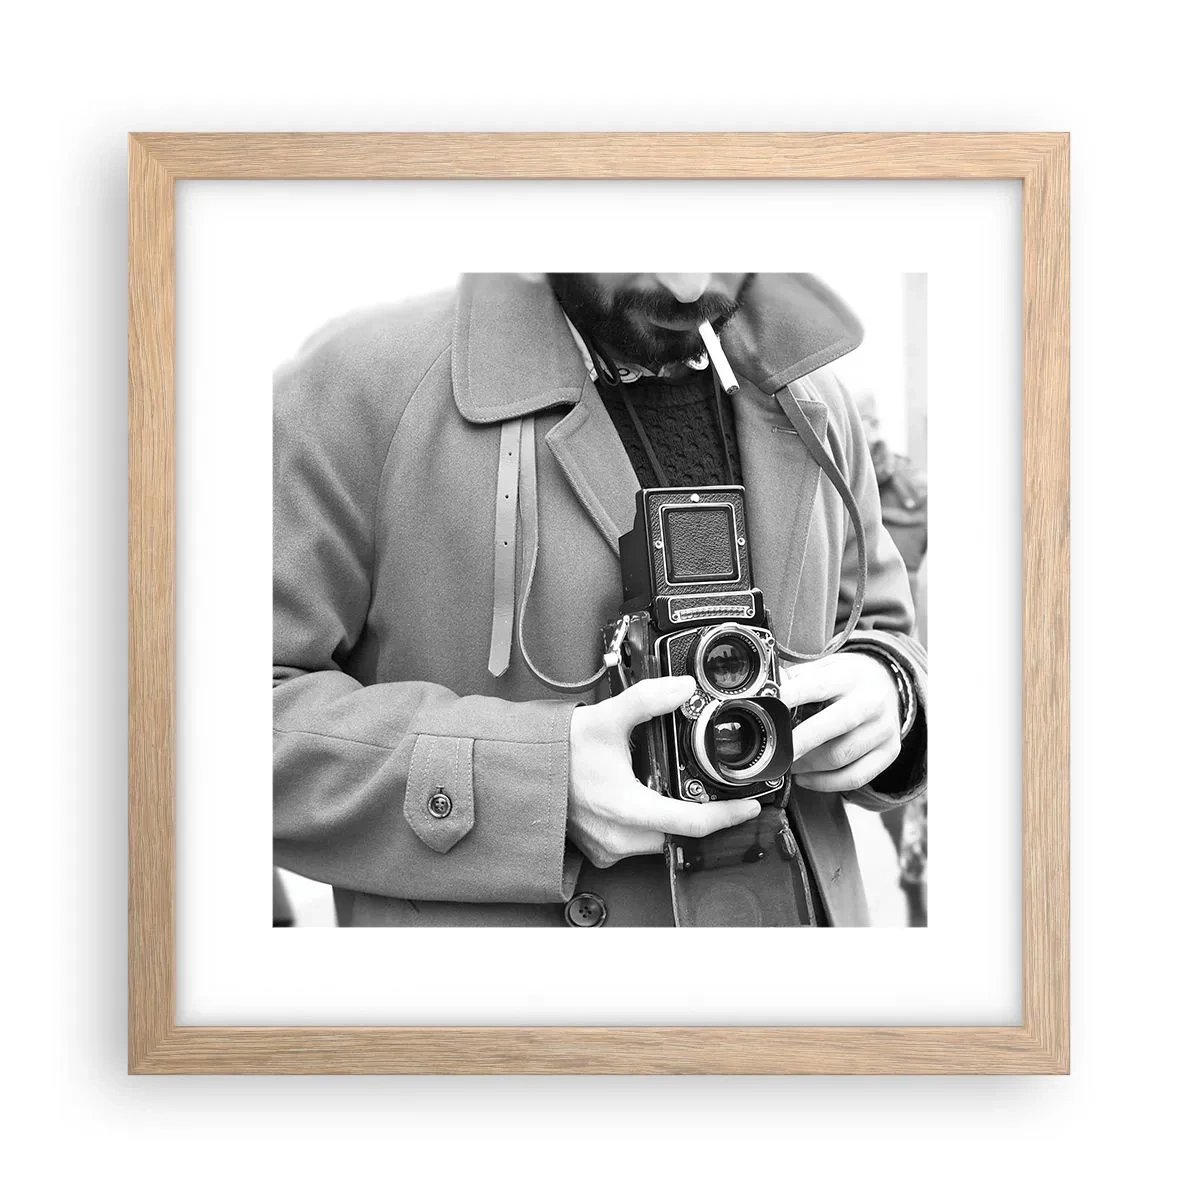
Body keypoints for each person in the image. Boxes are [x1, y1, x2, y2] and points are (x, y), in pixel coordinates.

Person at [273, 273, 927, 926]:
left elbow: (882, 630)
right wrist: (537, 787)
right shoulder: (359, 385)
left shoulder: (811, 391)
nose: (688, 285)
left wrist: (890, 692)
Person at [855, 390, 929, 926]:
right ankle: (914, 888)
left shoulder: (916, 492)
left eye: (876, 418)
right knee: (899, 809)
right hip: (882, 666)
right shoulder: (828, 480)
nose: (874, 430)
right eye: (865, 419)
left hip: (921, 658)